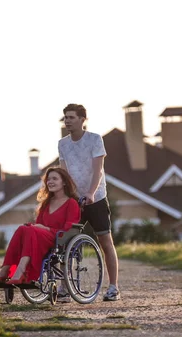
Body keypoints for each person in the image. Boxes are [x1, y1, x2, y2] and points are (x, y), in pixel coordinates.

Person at [57, 103, 121, 302]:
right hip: (74, 199)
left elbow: (98, 170)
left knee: (105, 241)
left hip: (96, 198)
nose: (67, 121)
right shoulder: (63, 144)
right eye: (65, 118)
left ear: (82, 119)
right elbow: (64, 172)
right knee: (65, 242)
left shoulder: (94, 139)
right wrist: (67, 196)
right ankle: (64, 287)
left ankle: (113, 288)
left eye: (71, 117)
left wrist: (91, 193)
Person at [0, 167, 81, 286]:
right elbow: (39, 224)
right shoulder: (46, 203)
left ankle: (21, 272)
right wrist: (40, 228)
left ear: (64, 182)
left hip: (59, 238)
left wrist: (47, 229)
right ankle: (4, 271)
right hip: (40, 237)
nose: (50, 182)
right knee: (23, 228)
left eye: (55, 178)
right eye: (48, 179)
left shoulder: (71, 203)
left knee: (30, 230)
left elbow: (69, 228)